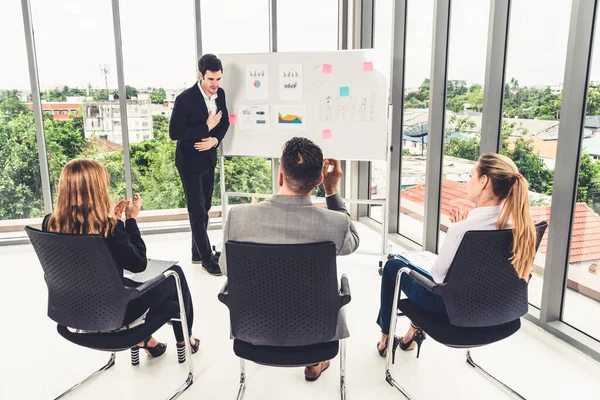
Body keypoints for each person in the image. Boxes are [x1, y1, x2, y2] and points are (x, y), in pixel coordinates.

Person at [219, 137, 360, 382]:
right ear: (318, 180)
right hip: (317, 333)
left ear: (280, 177)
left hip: (254, 331)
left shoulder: (238, 217)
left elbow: (225, 268)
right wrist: (332, 190)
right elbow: (353, 242)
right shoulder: (335, 223)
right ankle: (314, 362)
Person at [375, 153, 537, 360]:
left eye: (471, 176)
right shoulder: (524, 229)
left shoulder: (463, 230)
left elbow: (438, 278)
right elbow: (488, 269)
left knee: (393, 266)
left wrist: (457, 233)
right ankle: (410, 335)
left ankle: (385, 338)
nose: (467, 182)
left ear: (484, 181)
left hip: (454, 312)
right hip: (502, 312)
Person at [43, 159, 200, 361]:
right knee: (174, 275)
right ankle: (185, 339)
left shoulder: (50, 223)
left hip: (73, 313)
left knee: (132, 283)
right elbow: (138, 263)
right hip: (114, 313)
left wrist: (115, 225)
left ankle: (147, 342)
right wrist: (129, 222)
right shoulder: (108, 226)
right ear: (97, 189)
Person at [170, 53, 230, 276]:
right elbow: (174, 133)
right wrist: (205, 128)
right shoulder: (185, 99)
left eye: (218, 79)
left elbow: (225, 121)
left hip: (208, 158)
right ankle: (206, 259)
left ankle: (197, 252)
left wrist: (214, 140)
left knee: (204, 207)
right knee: (196, 210)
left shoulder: (220, 94)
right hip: (189, 162)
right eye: (211, 80)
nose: (215, 85)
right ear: (200, 76)